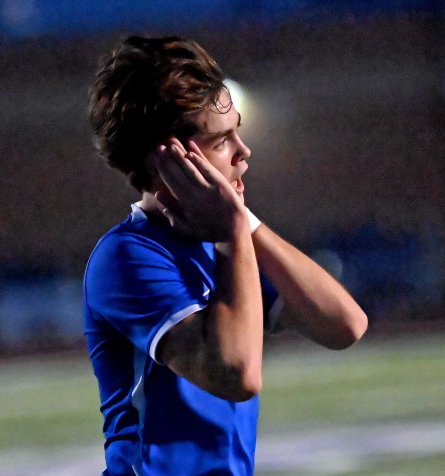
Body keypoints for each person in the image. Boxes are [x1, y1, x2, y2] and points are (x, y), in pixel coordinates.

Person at [84, 35, 368, 475]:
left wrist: (245, 223)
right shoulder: (126, 257)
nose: (244, 153)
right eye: (222, 141)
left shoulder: (223, 242)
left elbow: (345, 324)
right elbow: (236, 375)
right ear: (170, 161)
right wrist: (233, 231)